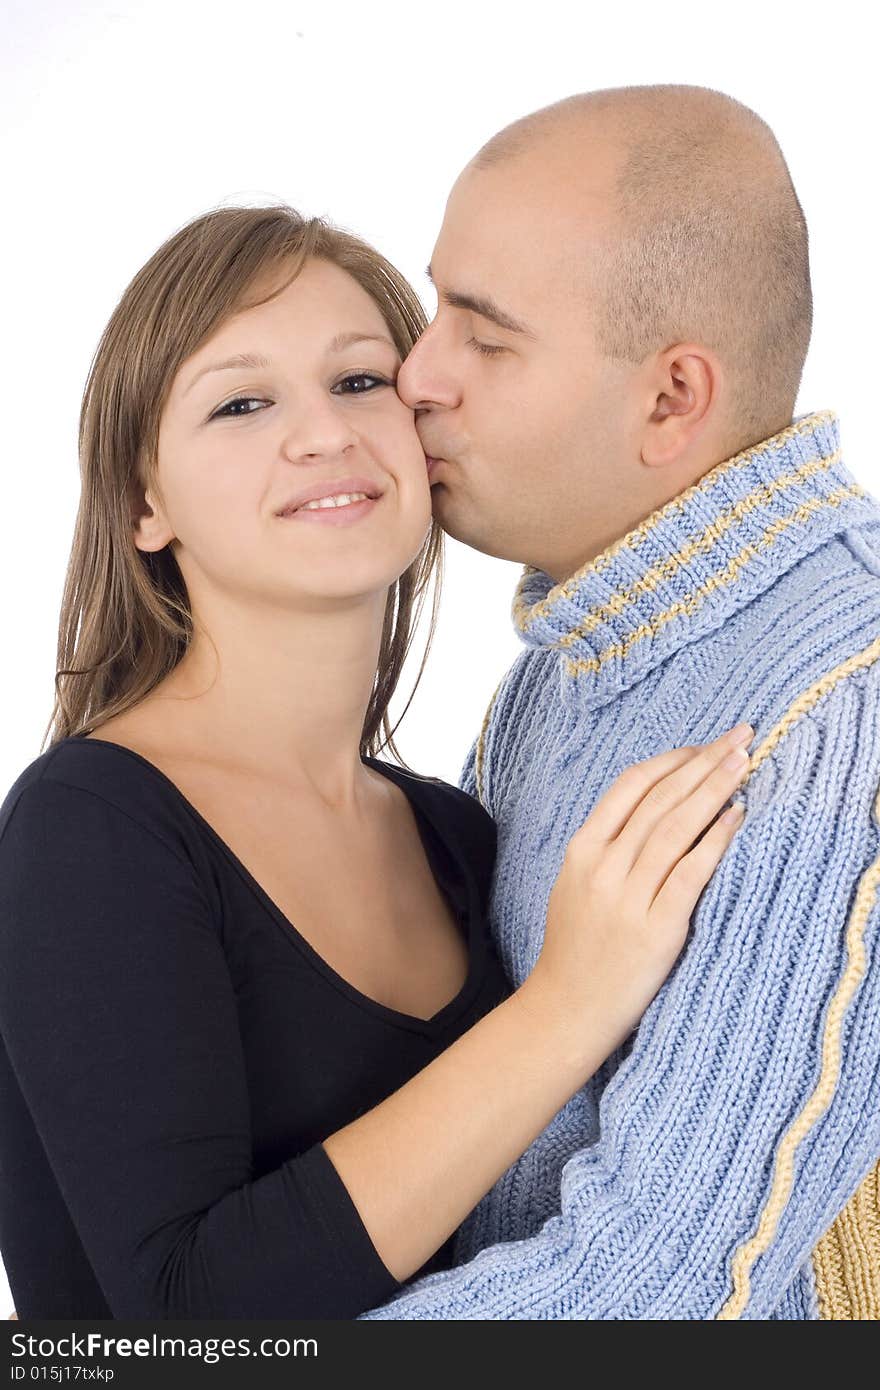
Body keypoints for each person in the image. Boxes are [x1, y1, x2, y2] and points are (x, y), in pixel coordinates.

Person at [0, 209, 752, 1320]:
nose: (324, 436)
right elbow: (183, 1316)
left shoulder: (456, 834)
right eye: (242, 403)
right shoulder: (89, 825)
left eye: (359, 383)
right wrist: (567, 1004)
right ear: (141, 504)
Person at [352, 84, 880, 1320]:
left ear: (670, 399)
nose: (414, 375)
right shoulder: (557, 673)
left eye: (483, 336)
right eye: (434, 309)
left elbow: (660, 1289)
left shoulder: (839, 720)